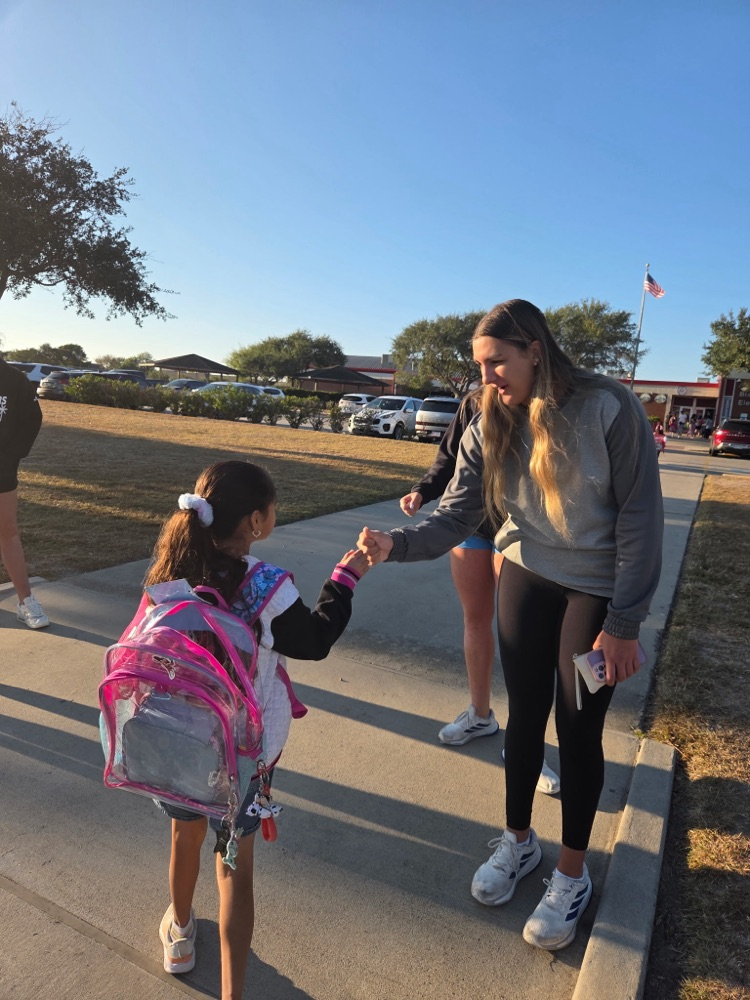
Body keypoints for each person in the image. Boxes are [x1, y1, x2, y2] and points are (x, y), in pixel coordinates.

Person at [358, 299, 662, 951]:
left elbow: (640, 520)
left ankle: (572, 875)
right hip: (524, 575)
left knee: (579, 726)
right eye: (480, 364)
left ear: (534, 349)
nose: (487, 375)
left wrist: (625, 623)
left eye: (496, 361)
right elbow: (460, 513)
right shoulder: (486, 417)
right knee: (523, 715)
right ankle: (519, 843)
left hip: (597, 593)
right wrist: (397, 543)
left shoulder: (610, 408)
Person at [142, 460, 369, 999]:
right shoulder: (267, 586)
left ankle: (179, 932)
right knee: (234, 867)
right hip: (243, 753)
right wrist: (346, 578)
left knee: (184, 836)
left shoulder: (169, 569)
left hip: (176, 738)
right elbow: (313, 642)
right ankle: (232, 992)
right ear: (256, 520)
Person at [401, 389, 560, 794]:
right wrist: (423, 490)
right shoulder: (474, 403)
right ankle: (480, 714)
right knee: (476, 619)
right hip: (468, 524)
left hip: (521, 528)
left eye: (499, 360)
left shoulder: (545, 402)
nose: (492, 374)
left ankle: (524, 744)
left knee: (520, 634)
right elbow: (448, 456)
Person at [0, 358, 49, 628]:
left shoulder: (13, 379)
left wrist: (9, 457)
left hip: (1, 471)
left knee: (7, 532)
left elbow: (32, 419)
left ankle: (26, 602)